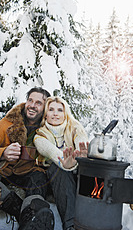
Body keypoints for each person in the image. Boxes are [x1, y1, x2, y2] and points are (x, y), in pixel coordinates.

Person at [0, 87, 55, 230]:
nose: (32, 105)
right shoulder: (6, 124)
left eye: (38, 103)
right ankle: (26, 216)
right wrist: (3, 152)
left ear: (45, 108)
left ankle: (33, 216)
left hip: (31, 174)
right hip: (4, 172)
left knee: (39, 177)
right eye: (30, 100)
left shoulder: (49, 129)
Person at [34, 96, 89, 230]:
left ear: (65, 113)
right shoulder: (40, 136)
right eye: (51, 109)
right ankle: (70, 225)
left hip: (77, 174)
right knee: (58, 169)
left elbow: (81, 140)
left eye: (60, 110)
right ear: (45, 114)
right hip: (55, 179)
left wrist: (80, 154)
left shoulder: (74, 127)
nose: (55, 114)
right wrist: (64, 164)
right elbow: (52, 152)